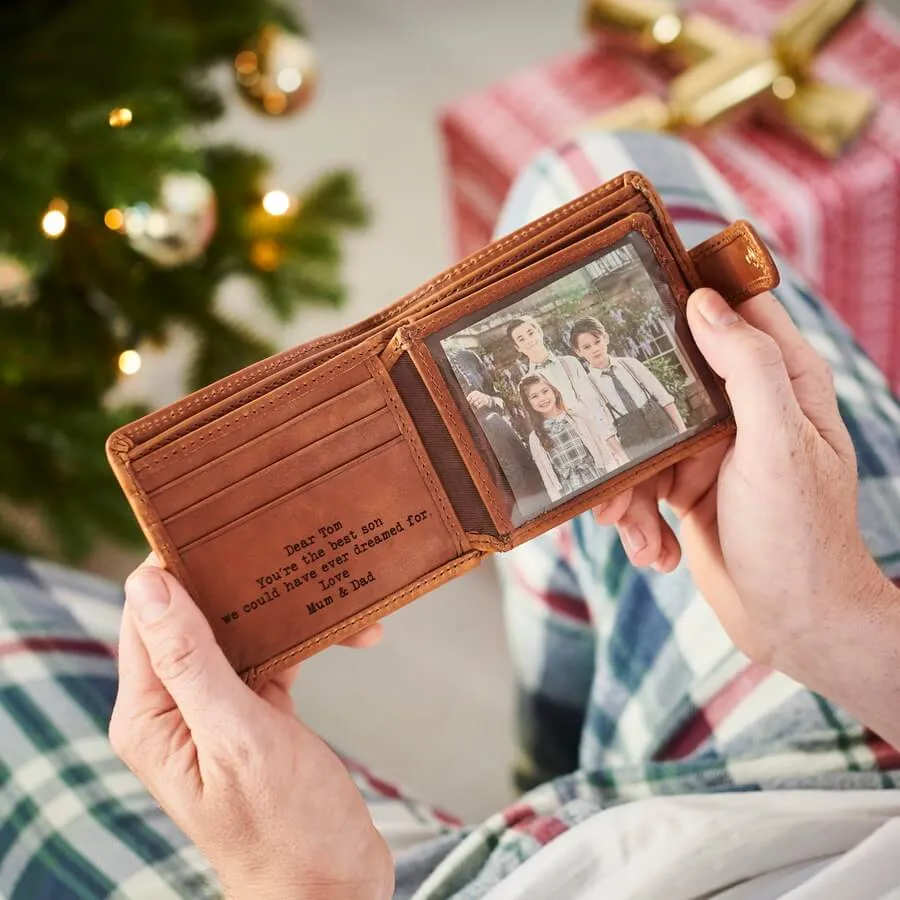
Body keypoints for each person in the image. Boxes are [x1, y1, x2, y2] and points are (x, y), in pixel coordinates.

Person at [6, 132, 900, 899]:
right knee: (606, 172)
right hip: (852, 774)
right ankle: (555, 752)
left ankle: (555, 761)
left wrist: (305, 885)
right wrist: (832, 615)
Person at [506, 314, 627, 468]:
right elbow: (539, 421)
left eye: (531, 333)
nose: (529, 340)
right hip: (568, 448)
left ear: (539, 332)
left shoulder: (569, 363)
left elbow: (592, 404)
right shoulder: (526, 384)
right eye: (521, 339)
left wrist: (612, 444)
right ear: (517, 347)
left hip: (594, 435)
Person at [447, 344, 548, 514]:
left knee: (532, 488)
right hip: (468, 452)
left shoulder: (465, 357)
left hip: (501, 436)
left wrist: (488, 400)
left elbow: (500, 401)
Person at [569, 315, 687, 460]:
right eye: (587, 347)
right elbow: (605, 429)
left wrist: (682, 430)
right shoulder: (588, 386)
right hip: (634, 443)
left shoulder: (631, 364)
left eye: (597, 342)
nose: (595, 349)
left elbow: (664, 398)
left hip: (664, 427)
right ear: (578, 352)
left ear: (605, 338)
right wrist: (625, 459)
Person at [518, 373, 610, 502]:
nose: (542, 398)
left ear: (554, 391)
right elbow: (546, 476)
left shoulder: (578, 417)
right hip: (570, 492)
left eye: (545, 391)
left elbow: (603, 451)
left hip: (597, 478)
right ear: (529, 404)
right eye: (534, 396)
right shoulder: (535, 438)